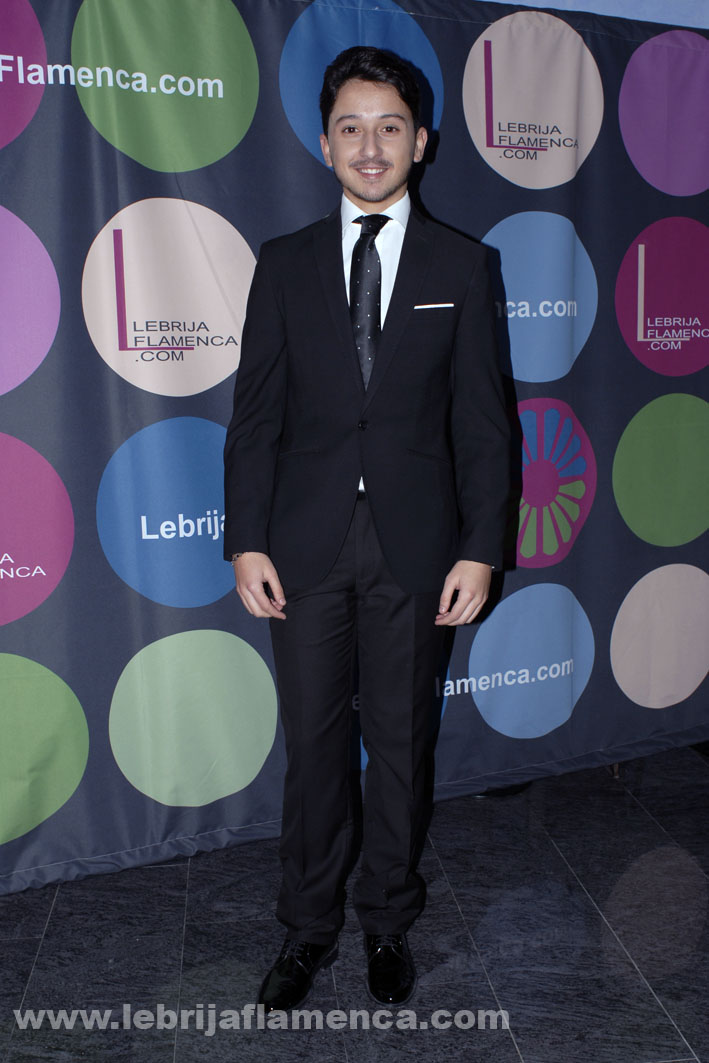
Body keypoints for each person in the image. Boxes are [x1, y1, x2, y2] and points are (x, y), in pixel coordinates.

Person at [223, 45, 510, 1011]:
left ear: (421, 141)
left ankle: (387, 919)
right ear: (324, 143)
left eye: (389, 127)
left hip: (417, 550)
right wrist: (246, 539)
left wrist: (479, 547)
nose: (370, 145)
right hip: (300, 547)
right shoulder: (283, 263)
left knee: (400, 743)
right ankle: (307, 927)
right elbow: (254, 418)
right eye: (350, 127)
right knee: (313, 750)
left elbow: (483, 426)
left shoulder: (462, 264)